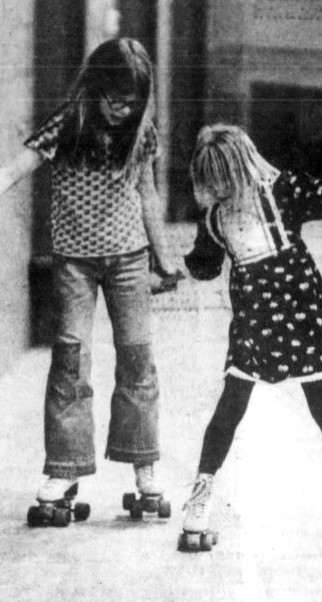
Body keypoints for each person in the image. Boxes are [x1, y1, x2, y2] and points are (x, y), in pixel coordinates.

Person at [178, 123, 322, 550]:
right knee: (231, 404)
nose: (223, 189)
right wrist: (183, 267)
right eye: (215, 182)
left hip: (300, 314)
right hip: (253, 323)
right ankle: (202, 492)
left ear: (242, 167)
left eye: (226, 178)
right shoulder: (214, 219)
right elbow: (207, 262)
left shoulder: (281, 192)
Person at [0, 38, 180, 524]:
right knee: (70, 355)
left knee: (137, 353)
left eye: (132, 101)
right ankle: (64, 468)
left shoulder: (141, 132)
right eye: (114, 98)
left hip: (129, 259)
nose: (123, 109)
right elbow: (22, 164)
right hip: (74, 263)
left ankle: (145, 467)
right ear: (95, 86)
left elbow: (148, 194)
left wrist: (165, 258)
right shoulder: (70, 123)